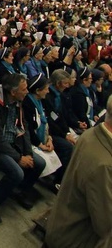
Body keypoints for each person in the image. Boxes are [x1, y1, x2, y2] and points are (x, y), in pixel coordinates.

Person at [0, 73, 46, 225]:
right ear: (13, 92)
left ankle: (18, 190)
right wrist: (19, 157)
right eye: (24, 89)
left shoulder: (18, 101)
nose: (27, 91)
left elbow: (24, 127)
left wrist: (27, 152)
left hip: (13, 141)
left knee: (39, 163)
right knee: (17, 172)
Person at [44, 97, 112, 248]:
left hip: (61, 224)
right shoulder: (105, 164)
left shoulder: (91, 135)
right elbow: (106, 224)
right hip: (74, 238)